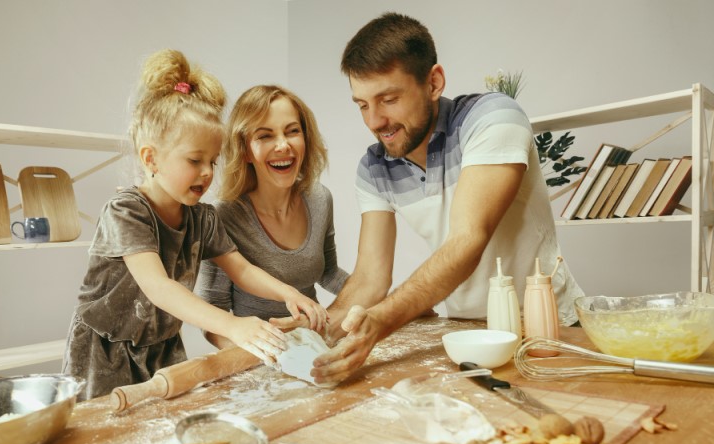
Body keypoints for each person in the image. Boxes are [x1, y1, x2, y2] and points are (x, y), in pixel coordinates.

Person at [310, 13, 584, 385]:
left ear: (434, 82)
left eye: (388, 99)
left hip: (545, 329)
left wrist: (381, 322)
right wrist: (318, 330)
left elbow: (467, 239)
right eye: (362, 105)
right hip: (464, 334)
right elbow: (370, 280)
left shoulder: (492, 119)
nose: (375, 121)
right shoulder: (374, 167)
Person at [62, 50, 327, 400]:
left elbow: (242, 271)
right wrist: (231, 325)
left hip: (162, 344)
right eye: (194, 160)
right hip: (106, 350)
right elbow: (159, 288)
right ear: (150, 157)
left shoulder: (202, 217)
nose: (207, 172)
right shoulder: (127, 212)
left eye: (213, 161)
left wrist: (288, 293)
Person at [197, 85, 349, 349]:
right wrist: (260, 361)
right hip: (257, 361)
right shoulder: (224, 216)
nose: (283, 145)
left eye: (293, 131)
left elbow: (329, 273)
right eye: (265, 136)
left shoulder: (320, 198)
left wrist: (389, 302)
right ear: (244, 150)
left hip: (314, 346)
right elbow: (213, 315)